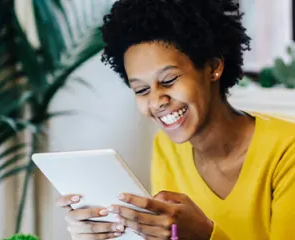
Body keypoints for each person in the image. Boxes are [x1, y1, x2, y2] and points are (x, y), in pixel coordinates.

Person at [55, 0, 295, 239]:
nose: (156, 100)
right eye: (141, 90)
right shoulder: (166, 148)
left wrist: (205, 235)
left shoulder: (287, 150)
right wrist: (105, 232)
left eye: (169, 80)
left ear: (213, 67)